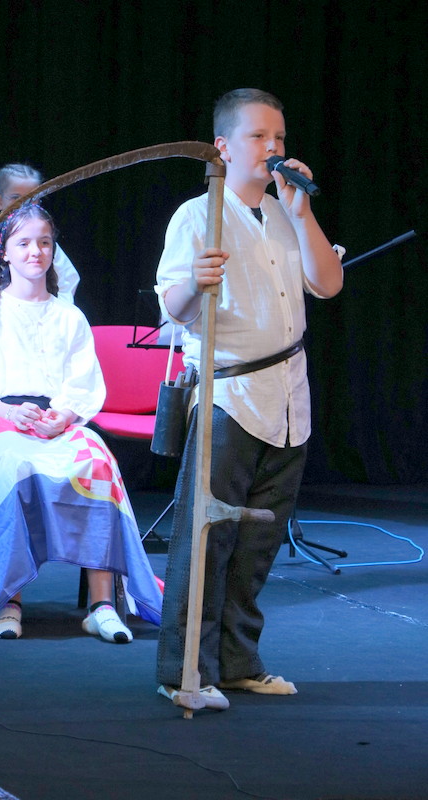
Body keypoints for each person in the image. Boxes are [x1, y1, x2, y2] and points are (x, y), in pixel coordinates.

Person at [154, 88, 344, 710]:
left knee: (260, 541)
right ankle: (186, 669)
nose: (273, 148)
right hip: (230, 394)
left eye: (279, 137)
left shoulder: (287, 214)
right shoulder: (198, 215)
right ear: (224, 147)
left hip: (289, 393)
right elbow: (172, 309)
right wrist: (194, 283)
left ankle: (238, 662)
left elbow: (328, 284)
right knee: (207, 538)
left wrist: (303, 213)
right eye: (259, 136)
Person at [0, 203, 162, 641]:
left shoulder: (69, 315)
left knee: (98, 462)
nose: (35, 251)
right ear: (4, 252)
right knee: (11, 467)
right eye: (24, 243)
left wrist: (63, 415)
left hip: (54, 420)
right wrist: (7, 412)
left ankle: (101, 604)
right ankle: (7, 600)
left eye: (44, 242)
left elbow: (83, 383)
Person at [0, 163, 80, 316]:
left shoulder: (45, 244)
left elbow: (66, 283)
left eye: (33, 198)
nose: (24, 205)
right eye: (16, 198)